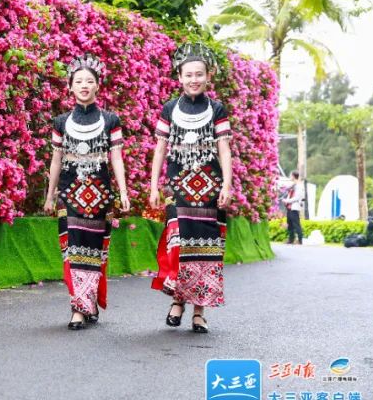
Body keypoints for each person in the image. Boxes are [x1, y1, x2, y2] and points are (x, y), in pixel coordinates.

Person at [149, 43, 232, 334]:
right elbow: (159, 149)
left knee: (205, 250)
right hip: (178, 186)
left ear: (208, 76)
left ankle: (199, 312)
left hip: (210, 189)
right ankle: (177, 301)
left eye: (199, 74)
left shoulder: (217, 109)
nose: (194, 79)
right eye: (188, 75)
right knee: (178, 245)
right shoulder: (169, 109)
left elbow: (224, 147)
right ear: (179, 77)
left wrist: (228, 184)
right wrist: (153, 186)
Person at [44, 54, 131, 330]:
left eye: (89, 81)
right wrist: (49, 195)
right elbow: (56, 160)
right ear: (70, 87)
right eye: (78, 81)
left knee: (93, 251)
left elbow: (116, 157)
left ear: (97, 86)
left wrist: (124, 191)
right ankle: (78, 307)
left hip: (100, 194)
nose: (84, 85)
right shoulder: (60, 122)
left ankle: (88, 302)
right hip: (69, 193)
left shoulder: (110, 120)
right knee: (72, 249)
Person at [284, 171, 305, 244]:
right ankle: (291, 239)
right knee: (290, 224)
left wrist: (287, 201)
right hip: (289, 207)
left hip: (294, 207)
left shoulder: (299, 185)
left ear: (293, 176)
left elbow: (297, 197)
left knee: (296, 224)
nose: (290, 177)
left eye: (290, 175)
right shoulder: (293, 185)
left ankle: (300, 240)